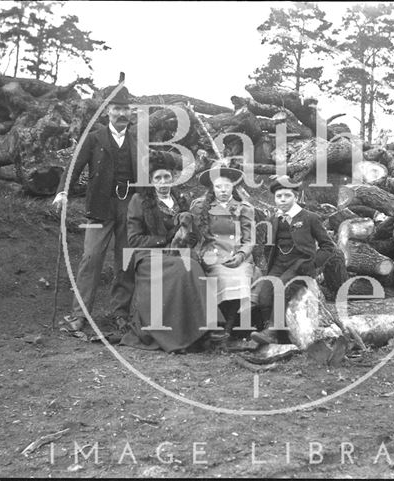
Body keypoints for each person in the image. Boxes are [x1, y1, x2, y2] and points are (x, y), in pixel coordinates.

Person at [52, 86, 135, 332]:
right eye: (117, 108)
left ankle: (121, 314)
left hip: (129, 207)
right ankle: (79, 315)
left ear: (131, 112)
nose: (121, 113)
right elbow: (74, 165)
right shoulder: (94, 137)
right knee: (91, 257)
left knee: (126, 260)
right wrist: (62, 191)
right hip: (99, 206)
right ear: (108, 111)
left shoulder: (137, 140)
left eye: (126, 109)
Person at [119, 158, 222, 353]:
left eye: (167, 177)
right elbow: (134, 239)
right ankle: (182, 334)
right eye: (158, 178)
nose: (163, 182)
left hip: (176, 253)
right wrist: (164, 239)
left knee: (192, 263)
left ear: (173, 179)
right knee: (183, 268)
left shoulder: (180, 201)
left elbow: (190, 233)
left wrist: (190, 240)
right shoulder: (139, 201)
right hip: (149, 256)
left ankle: (205, 329)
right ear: (151, 181)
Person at [250, 176, 336, 345]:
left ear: (296, 197)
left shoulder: (310, 218)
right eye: (278, 196)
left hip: (300, 265)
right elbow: (270, 248)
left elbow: (328, 246)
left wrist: (312, 264)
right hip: (278, 265)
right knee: (265, 292)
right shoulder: (273, 220)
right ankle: (277, 335)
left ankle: (273, 331)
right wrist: (270, 265)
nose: (282, 200)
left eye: (287, 196)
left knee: (281, 288)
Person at [190, 164, 256, 342]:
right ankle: (220, 326)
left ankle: (228, 328)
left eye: (227, 186)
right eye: (219, 186)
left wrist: (241, 255)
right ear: (212, 188)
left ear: (233, 187)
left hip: (237, 254)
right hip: (213, 253)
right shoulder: (201, 207)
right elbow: (194, 234)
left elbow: (250, 239)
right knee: (220, 274)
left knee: (240, 275)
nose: (223, 190)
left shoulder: (244, 208)